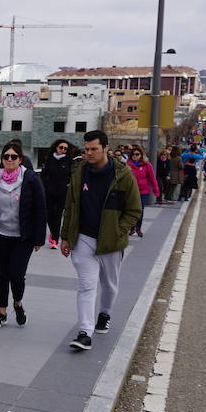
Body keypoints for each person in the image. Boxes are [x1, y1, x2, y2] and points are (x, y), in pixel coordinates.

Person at [60, 130, 141, 351]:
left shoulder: (123, 175)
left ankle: (104, 314)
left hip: (111, 242)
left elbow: (134, 210)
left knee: (109, 286)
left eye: (94, 149)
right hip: (83, 238)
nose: (89, 153)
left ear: (106, 148)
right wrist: (65, 237)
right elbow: (70, 206)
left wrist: (118, 231)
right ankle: (85, 332)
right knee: (86, 285)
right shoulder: (79, 172)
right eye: (86, 149)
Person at [0, 141, 46, 328]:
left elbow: (41, 209)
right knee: (1, 275)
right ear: (2, 159)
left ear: (20, 159)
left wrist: (40, 237)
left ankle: (18, 304)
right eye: (6, 156)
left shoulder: (30, 179)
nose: (9, 159)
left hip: (23, 238)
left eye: (14, 156)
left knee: (16, 274)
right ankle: (2, 312)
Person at [40, 139, 74, 249]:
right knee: (49, 215)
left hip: (62, 193)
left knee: (58, 216)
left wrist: (68, 185)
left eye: (65, 148)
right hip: (49, 192)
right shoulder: (49, 159)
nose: (63, 150)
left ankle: (54, 239)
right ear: (56, 147)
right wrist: (45, 186)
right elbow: (43, 175)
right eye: (61, 147)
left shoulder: (69, 160)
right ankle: (53, 233)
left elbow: (72, 175)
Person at [126, 146, 160, 237]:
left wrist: (156, 190)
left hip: (143, 192)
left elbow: (152, 179)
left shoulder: (147, 165)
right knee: (131, 210)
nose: (135, 156)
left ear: (141, 155)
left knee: (140, 210)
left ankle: (138, 228)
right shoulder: (127, 165)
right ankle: (132, 227)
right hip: (131, 192)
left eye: (137, 154)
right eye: (133, 154)